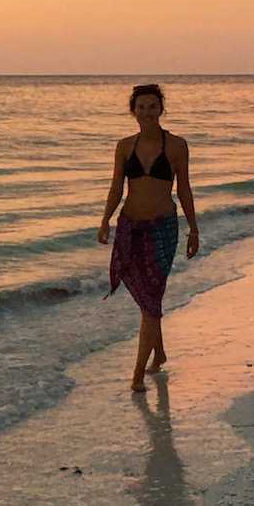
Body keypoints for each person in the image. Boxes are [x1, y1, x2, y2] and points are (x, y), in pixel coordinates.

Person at [97, 83, 200, 391]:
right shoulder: (124, 146)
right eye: (140, 107)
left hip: (163, 229)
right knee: (147, 299)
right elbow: (117, 188)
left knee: (151, 300)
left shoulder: (177, 146)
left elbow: (183, 190)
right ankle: (160, 353)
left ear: (161, 109)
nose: (146, 112)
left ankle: (138, 374)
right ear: (133, 110)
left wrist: (194, 229)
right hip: (130, 227)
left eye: (152, 106)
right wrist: (104, 221)